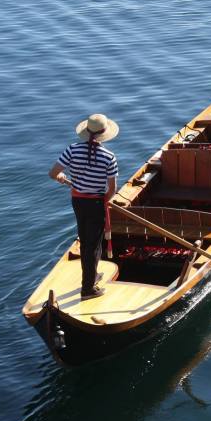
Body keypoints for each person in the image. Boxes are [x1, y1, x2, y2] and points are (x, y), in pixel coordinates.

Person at [49, 114, 119, 300]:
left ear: (86, 131)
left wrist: (62, 179)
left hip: (78, 202)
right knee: (93, 246)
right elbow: (112, 189)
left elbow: (53, 173)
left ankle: (92, 276)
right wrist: (104, 202)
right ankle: (88, 289)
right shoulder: (109, 156)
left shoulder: (72, 150)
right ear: (105, 134)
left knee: (86, 239)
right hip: (96, 203)